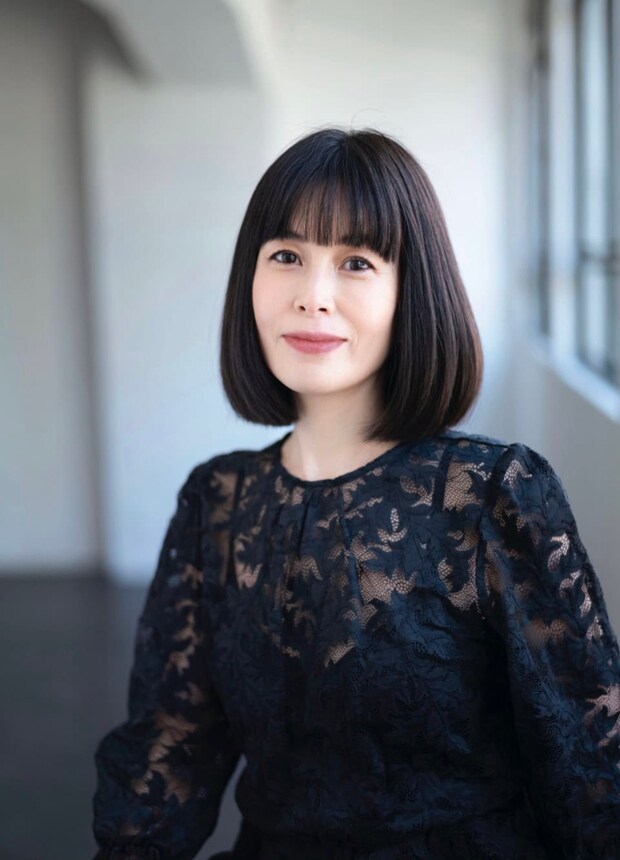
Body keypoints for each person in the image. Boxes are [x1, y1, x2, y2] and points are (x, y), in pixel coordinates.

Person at [91, 127, 620, 860]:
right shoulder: (217, 501)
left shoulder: (491, 494)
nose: (313, 297)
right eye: (286, 256)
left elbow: (590, 775)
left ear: (412, 291)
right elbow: (171, 748)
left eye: (356, 263)